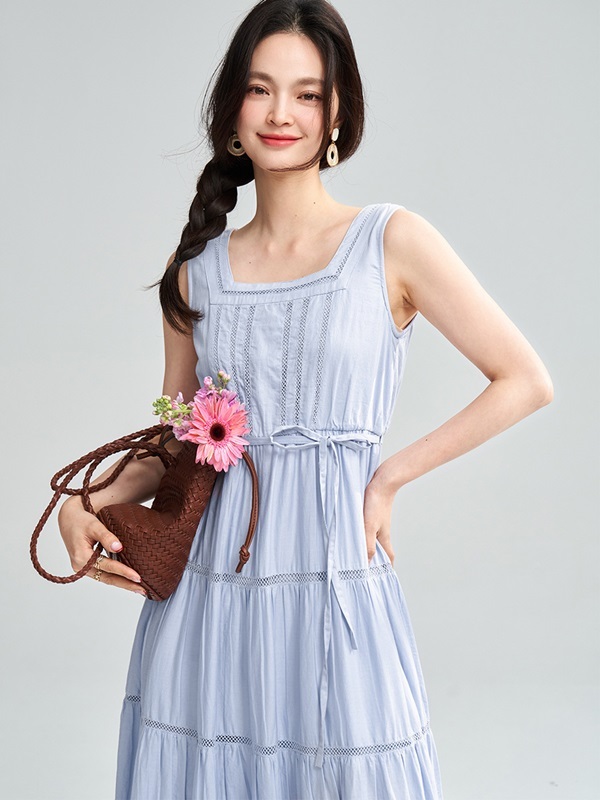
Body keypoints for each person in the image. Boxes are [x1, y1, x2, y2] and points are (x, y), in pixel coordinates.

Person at [57, 0, 553, 797]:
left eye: (307, 93)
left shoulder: (390, 241)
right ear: (232, 109)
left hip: (331, 574)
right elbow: (177, 440)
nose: (280, 113)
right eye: (260, 89)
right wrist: (86, 502)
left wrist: (387, 480)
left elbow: (525, 379)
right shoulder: (195, 273)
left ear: (338, 113)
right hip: (208, 598)